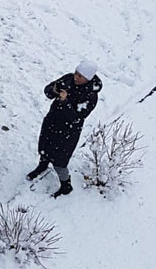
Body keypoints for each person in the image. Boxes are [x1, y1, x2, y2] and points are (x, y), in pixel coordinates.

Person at [27, 59, 102, 197]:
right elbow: (48, 91)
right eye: (76, 73)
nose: (76, 77)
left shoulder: (90, 96)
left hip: (67, 132)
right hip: (52, 121)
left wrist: (64, 101)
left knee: (60, 161)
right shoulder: (68, 79)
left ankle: (65, 185)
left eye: (80, 76)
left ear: (88, 78)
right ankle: (42, 166)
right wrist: (54, 90)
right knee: (44, 147)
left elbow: (76, 117)